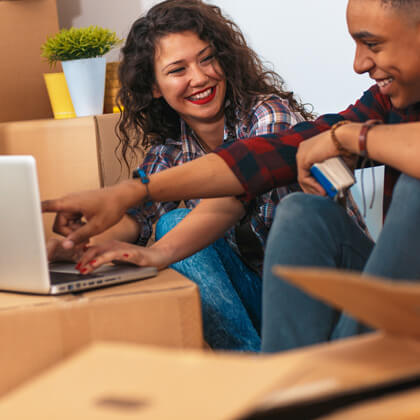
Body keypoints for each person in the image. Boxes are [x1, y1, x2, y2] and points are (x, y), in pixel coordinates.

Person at [43, 0, 419, 353]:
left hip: (339, 301)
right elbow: (147, 216)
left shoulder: (267, 114)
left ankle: (333, 376)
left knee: (411, 191)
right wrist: (82, 242)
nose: (358, 63)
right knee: (284, 213)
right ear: (154, 88)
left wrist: (356, 137)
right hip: (280, 307)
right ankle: (284, 383)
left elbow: (234, 192)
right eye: (178, 70)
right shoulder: (384, 103)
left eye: (371, 43)